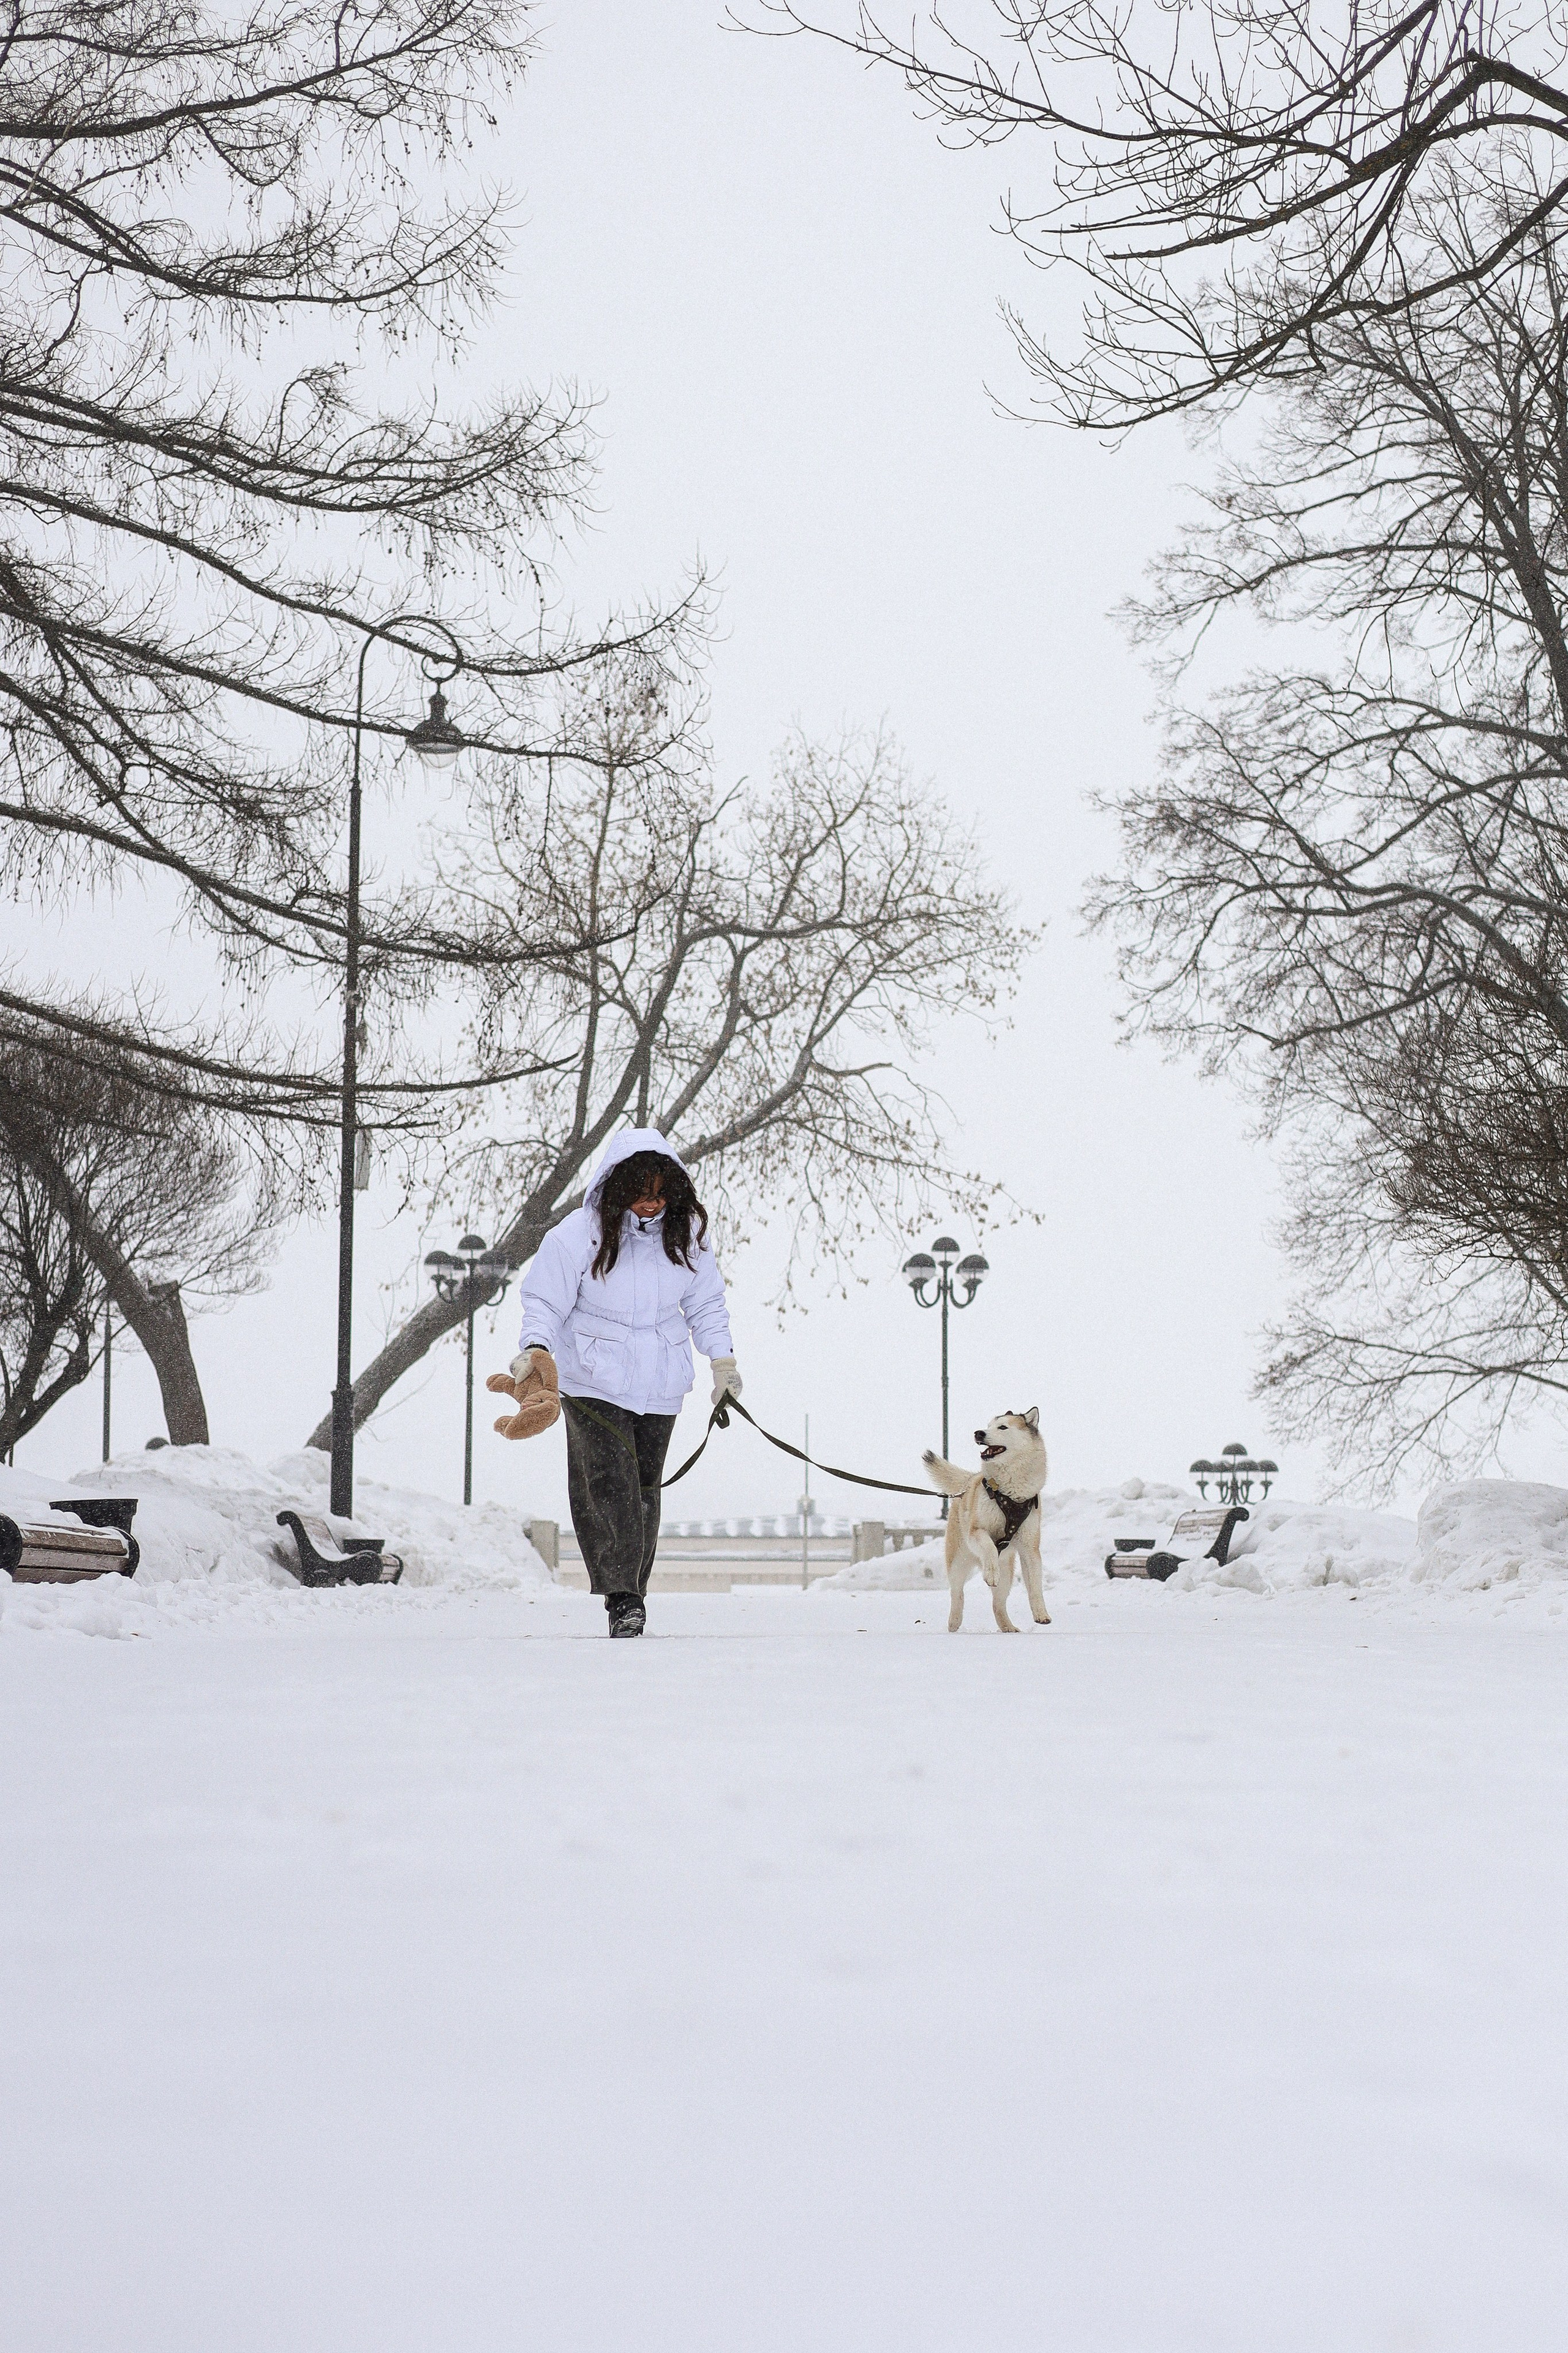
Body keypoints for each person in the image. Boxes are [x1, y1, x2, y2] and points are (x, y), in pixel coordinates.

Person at [499, 1130, 740, 1638]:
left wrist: (723, 1364)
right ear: (617, 1187)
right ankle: (622, 1596)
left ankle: (633, 1588)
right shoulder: (575, 1235)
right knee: (609, 1483)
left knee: (645, 1489)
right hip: (592, 1379)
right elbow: (543, 1301)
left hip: (660, 1381)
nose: (652, 1203)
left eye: (660, 1192)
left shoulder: (688, 1230)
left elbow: (706, 1303)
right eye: (641, 1191)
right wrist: (536, 1351)